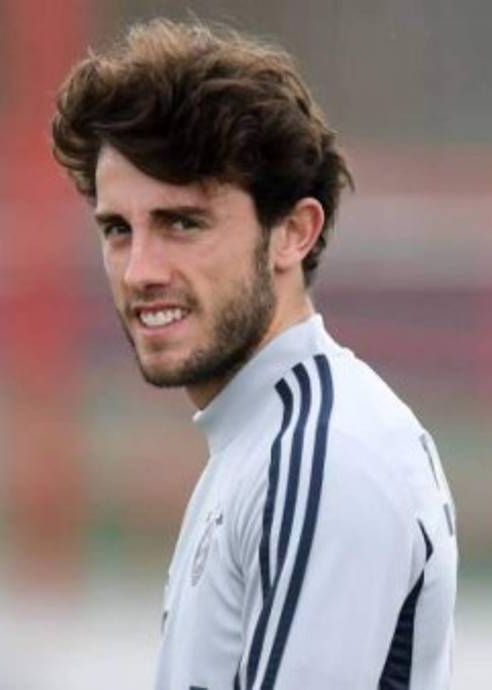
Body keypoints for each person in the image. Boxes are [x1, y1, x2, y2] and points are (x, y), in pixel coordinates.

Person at [51, 19, 456, 690]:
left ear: (293, 233)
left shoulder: (323, 455)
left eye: (183, 223)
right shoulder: (258, 442)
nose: (140, 269)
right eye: (119, 230)